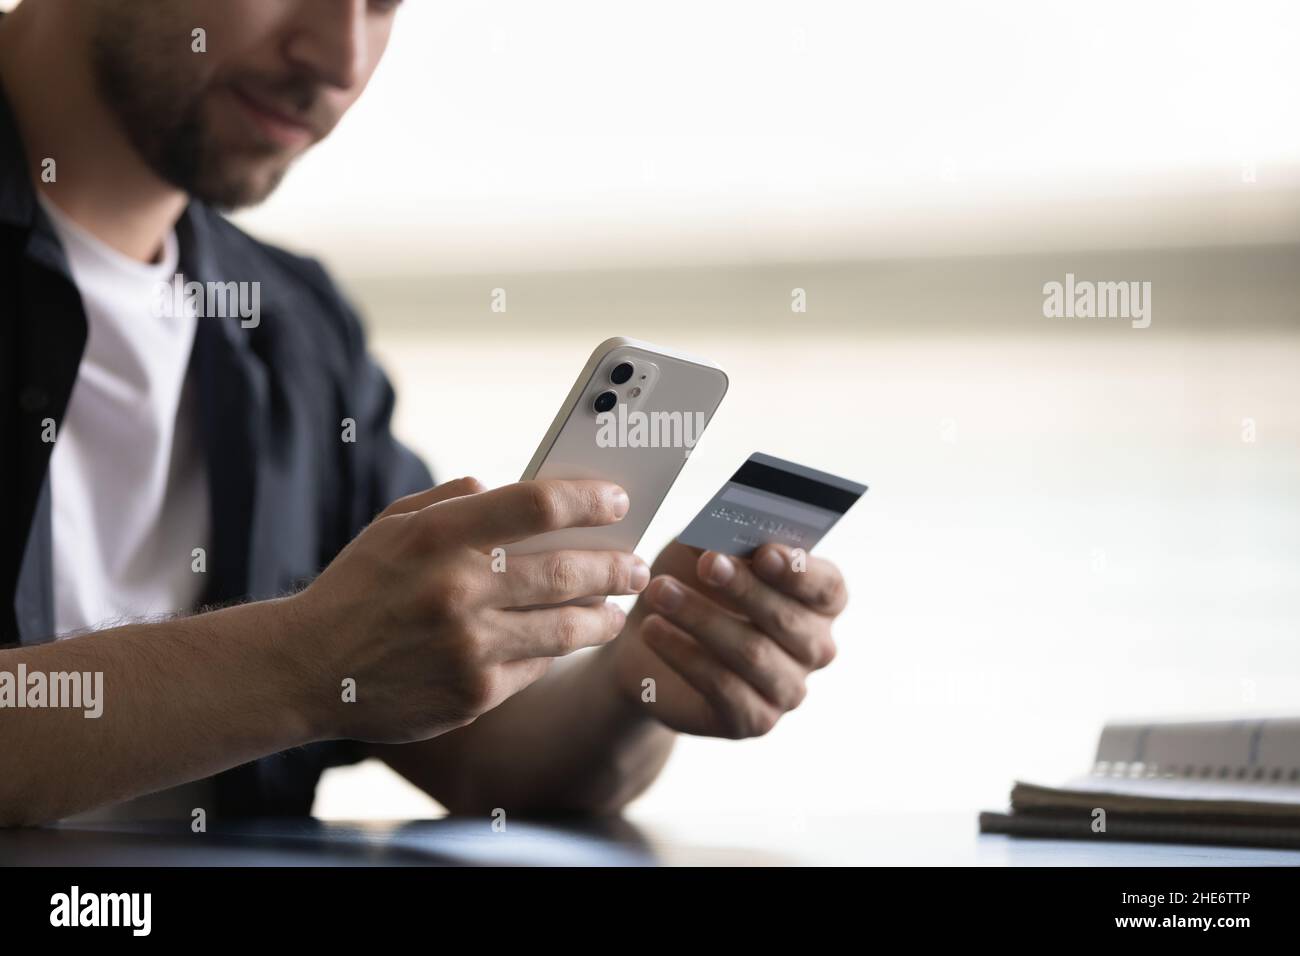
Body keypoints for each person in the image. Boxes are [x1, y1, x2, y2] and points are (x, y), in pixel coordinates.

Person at [0, 0, 848, 826]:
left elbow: (481, 757)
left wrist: (641, 675)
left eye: (383, 4)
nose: (341, 60)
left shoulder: (293, 329)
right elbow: (331, 658)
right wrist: (303, 662)